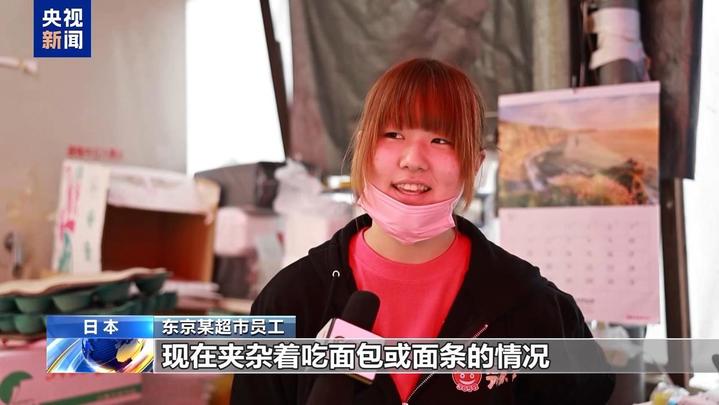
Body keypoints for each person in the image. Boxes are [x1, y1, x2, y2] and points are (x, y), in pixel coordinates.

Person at [231, 58, 615, 404]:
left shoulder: (528, 303)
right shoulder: (291, 300)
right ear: (364, 147)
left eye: (440, 140)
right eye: (393, 135)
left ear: (474, 164)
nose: (413, 160)